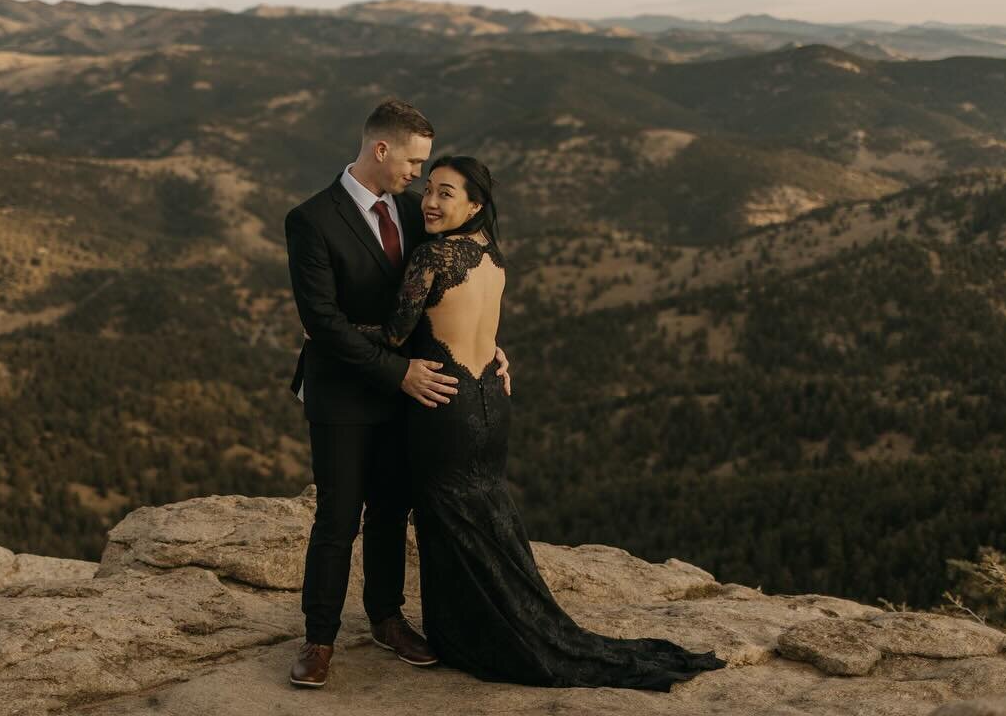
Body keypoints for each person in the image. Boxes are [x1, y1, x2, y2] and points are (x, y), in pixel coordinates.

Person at [355, 155, 726, 690]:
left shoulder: (431, 256)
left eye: (446, 194)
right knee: (485, 512)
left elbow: (394, 335)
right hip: (490, 401)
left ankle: (471, 633)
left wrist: (334, 329)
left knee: (450, 521)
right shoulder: (493, 257)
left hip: (445, 406)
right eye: (429, 190)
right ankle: (511, 616)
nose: (430, 203)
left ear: (476, 205)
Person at [283, 100, 511, 689]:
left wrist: (484, 346)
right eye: (413, 162)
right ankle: (319, 639)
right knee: (338, 517)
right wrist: (398, 371)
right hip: (343, 390)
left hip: (411, 391)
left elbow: (448, 289)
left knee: (391, 510)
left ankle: (386, 618)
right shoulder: (310, 219)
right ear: (381, 150)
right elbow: (323, 324)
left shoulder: (418, 213)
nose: (420, 176)